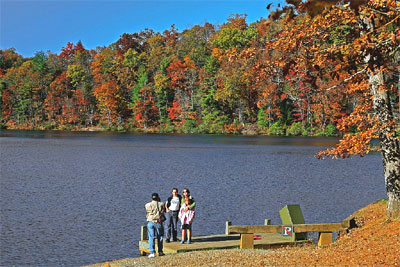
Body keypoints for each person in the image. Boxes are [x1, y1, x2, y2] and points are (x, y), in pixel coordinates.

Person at [145, 193, 165, 258]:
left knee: (151, 237)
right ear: (158, 197)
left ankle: (152, 252)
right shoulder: (161, 204)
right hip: (158, 222)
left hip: (150, 222)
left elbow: (147, 212)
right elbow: (162, 211)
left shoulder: (147, 205)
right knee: (160, 237)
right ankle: (160, 251)